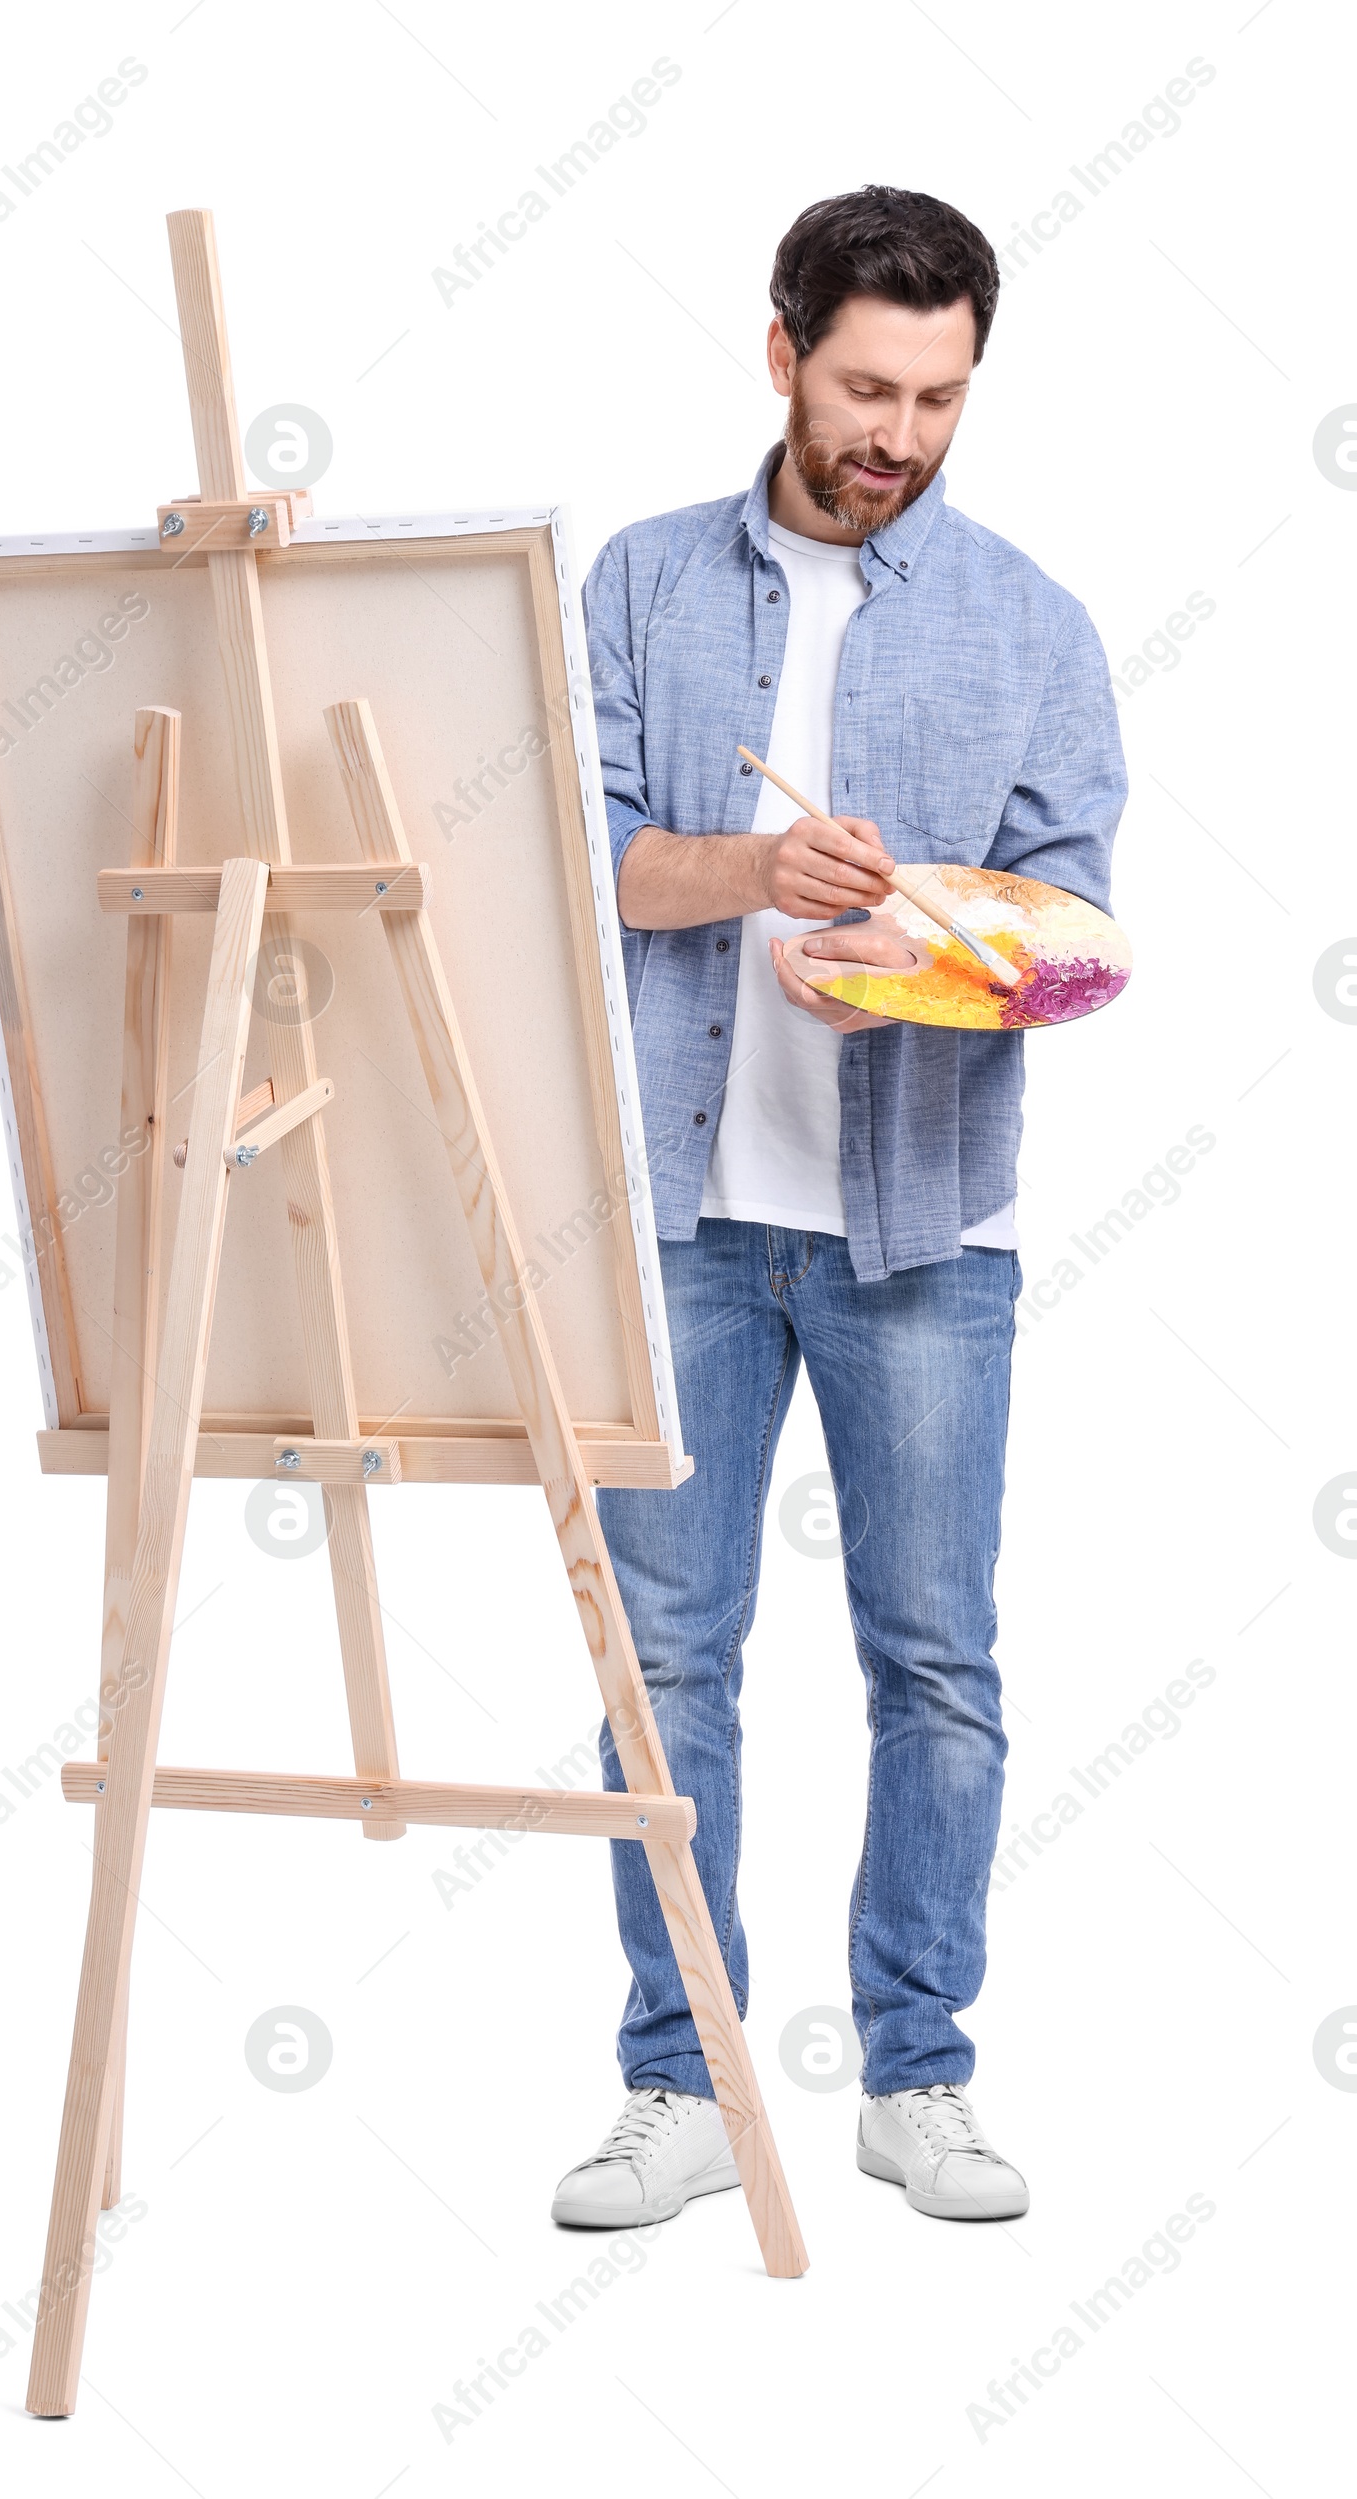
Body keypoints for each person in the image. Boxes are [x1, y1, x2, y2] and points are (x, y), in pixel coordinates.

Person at [552, 185, 1125, 2231]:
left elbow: (1071, 918)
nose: (896, 433)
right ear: (781, 347)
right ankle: (678, 2082)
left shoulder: (1028, 622)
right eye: (867, 385)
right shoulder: (636, 582)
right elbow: (583, 855)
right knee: (661, 1663)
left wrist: (928, 932)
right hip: (682, 1213)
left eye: (939, 397)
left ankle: (917, 2075)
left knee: (935, 1661)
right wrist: (750, 877)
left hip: (916, 1223)